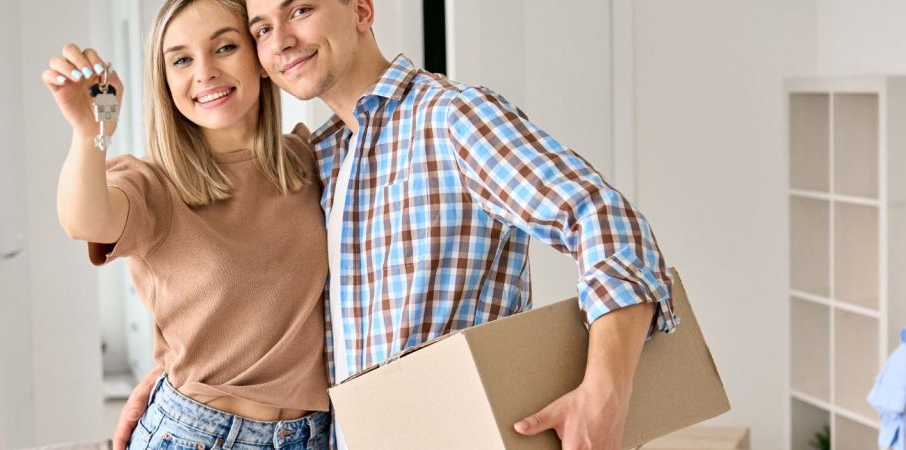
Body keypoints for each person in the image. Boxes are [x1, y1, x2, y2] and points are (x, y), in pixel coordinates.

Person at [118, 0, 679, 448]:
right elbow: (262, 296)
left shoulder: (453, 118)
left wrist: (606, 391)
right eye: (261, 28)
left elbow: (604, 220)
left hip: (464, 432)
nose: (281, 39)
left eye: (300, 10)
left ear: (361, 11)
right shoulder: (317, 159)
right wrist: (173, 381)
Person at [43, 0, 332, 449]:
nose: (205, 72)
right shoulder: (153, 185)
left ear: (258, 56)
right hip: (199, 435)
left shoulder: (308, 160)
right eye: (181, 59)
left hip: (313, 435)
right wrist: (90, 130)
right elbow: (82, 220)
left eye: (224, 47)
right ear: (166, 82)